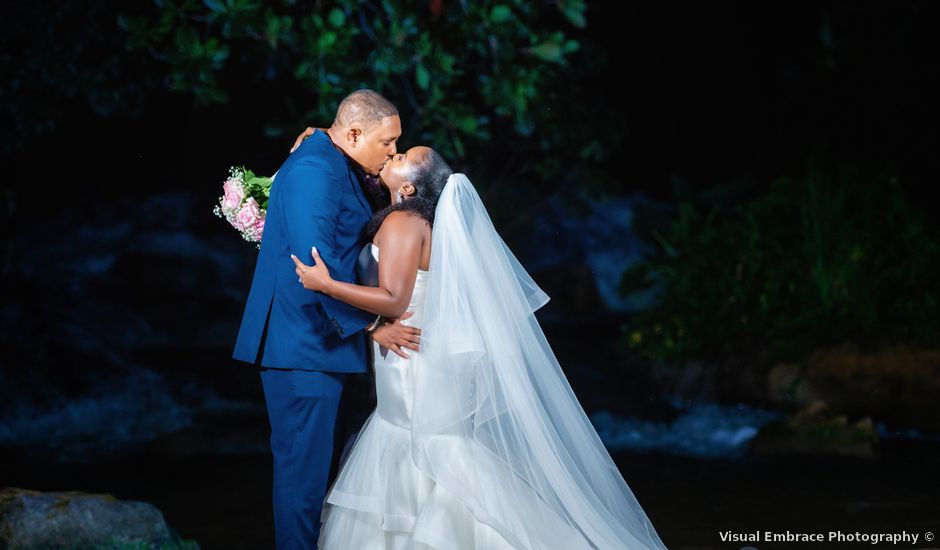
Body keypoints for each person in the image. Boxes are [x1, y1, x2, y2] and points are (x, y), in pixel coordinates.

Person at [291, 147, 670, 549]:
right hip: (424, 352)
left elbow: (395, 300)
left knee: (422, 446)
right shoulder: (427, 222)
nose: (395, 152)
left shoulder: (402, 222)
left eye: (403, 154)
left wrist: (326, 285)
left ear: (407, 187)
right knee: (440, 448)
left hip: (411, 360)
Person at [232, 89, 422, 549]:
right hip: (303, 347)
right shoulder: (316, 169)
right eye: (387, 143)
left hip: (321, 347)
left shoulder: (332, 156)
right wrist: (375, 325)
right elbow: (312, 265)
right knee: (303, 484)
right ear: (354, 133)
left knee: (316, 480)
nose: (393, 151)